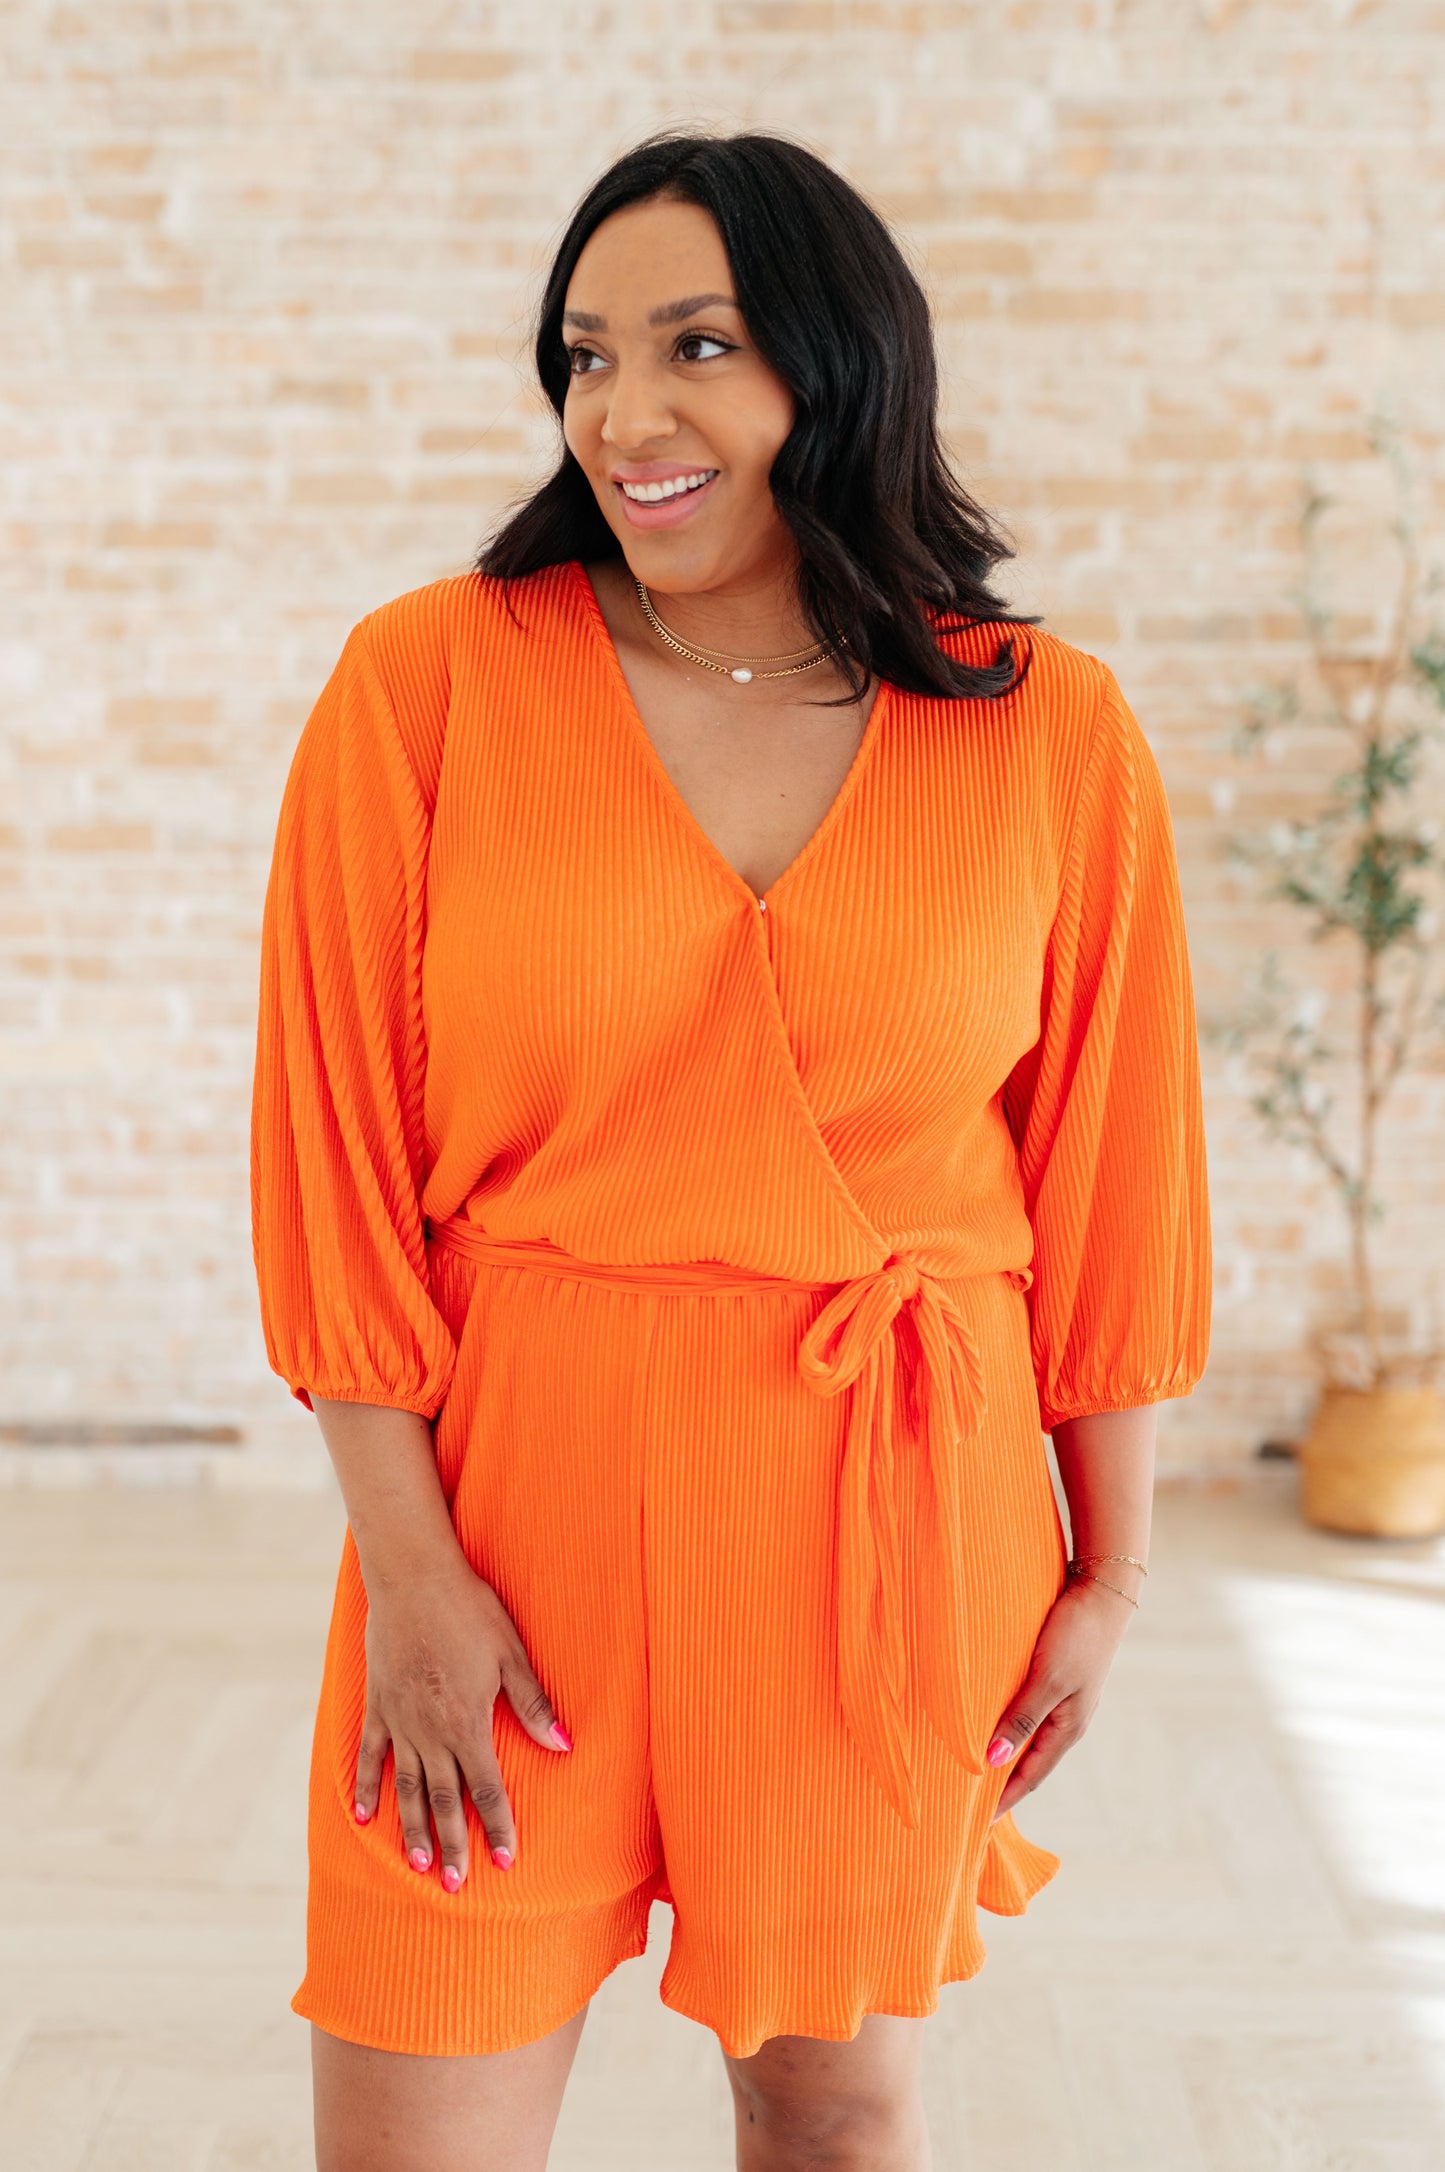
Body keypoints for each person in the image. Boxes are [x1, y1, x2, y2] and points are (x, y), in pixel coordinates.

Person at [251, 129, 1211, 2172]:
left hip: (889, 1510)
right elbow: (328, 1159)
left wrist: (1108, 1569)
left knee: (835, 2113)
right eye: (585, 355)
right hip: (509, 1517)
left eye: (697, 345)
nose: (624, 414)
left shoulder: (1046, 730)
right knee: (421, 2100)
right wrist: (409, 1573)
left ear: (838, 365)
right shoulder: (427, 685)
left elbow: (1114, 1173)